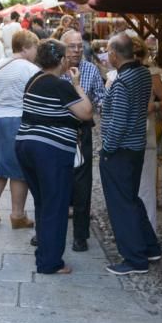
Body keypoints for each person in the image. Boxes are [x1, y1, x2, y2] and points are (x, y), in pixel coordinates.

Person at [15, 39, 92, 274]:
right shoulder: (61, 85)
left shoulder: (33, 81)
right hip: (50, 151)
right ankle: (50, 262)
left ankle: (44, 253)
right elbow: (86, 112)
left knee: (43, 202)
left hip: (25, 145)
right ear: (61, 60)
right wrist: (77, 84)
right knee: (56, 205)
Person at [99, 33, 161, 276]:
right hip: (135, 147)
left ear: (114, 54)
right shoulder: (143, 73)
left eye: (108, 52)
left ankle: (135, 258)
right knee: (132, 200)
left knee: (121, 205)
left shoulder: (123, 81)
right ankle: (150, 246)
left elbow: (119, 122)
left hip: (121, 150)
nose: (107, 56)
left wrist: (107, 148)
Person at [0, 30, 40, 228]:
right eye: (34, 48)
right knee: (18, 169)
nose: (36, 52)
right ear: (25, 48)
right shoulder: (31, 70)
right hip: (16, 119)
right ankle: (17, 215)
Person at [60, 29, 105, 253]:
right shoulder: (56, 70)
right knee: (55, 180)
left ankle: (80, 235)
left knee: (82, 184)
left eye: (79, 46)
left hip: (81, 131)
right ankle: (48, 230)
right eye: (72, 46)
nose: (77, 50)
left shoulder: (91, 70)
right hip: (58, 130)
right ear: (63, 47)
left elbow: (101, 98)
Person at [132, 35, 162, 233]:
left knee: (146, 188)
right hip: (122, 139)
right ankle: (130, 230)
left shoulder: (151, 74)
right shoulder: (116, 75)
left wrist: (154, 105)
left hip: (145, 135)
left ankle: (148, 232)